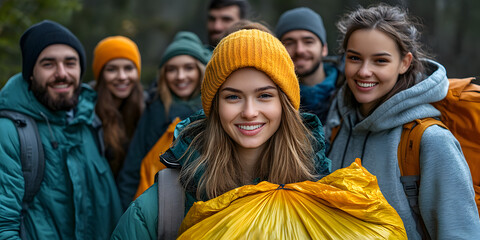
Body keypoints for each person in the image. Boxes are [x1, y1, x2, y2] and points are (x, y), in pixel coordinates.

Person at [110, 29, 331, 239]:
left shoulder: (320, 190)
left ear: (285, 104)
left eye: (264, 95)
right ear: (214, 106)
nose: (249, 112)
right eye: (233, 97)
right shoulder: (161, 208)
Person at [324, 4, 480, 239]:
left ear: (404, 63)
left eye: (380, 61)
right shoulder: (337, 123)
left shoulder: (430, 140)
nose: (364, 71)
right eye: (355, 58)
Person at [0, 20, 122, 239]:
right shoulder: (9, 131)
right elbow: (3, 226)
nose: (62, 73)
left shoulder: (89, 120)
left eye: (70, 63)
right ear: (30, 73)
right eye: (48, 64)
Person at [117, 31, 211, 209]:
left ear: (201, 69)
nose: (180, 76)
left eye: (188, 68)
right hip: (156, 209)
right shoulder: (155, 110)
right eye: (172, 69)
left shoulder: (214, 111)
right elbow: (132, 168)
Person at [275, 7, 344, 123]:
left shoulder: (351, 91)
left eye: (308, 42)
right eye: (289, 43)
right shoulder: (274, 99)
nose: (300, 50)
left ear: (324, 49)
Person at [92, 36, 144, 179]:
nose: (122, 76)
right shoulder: (87, 113)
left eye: (128, 68)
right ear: (101, 74)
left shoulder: (146, 109)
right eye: (112, 69)